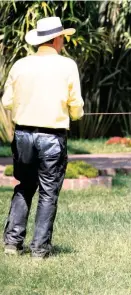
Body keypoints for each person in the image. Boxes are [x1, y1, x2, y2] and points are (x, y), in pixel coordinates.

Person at [1, 16, 84, 259]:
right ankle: (39, 250)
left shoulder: (20, 65)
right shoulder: (67, 66)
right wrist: (75, 113)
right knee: (48, 193)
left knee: (24, 187)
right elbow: (76, 107)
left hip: (23, 135)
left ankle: (12, 244)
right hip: (52, 138)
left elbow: (6, 102)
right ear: (57, 38)